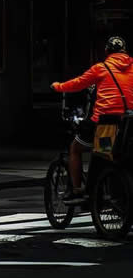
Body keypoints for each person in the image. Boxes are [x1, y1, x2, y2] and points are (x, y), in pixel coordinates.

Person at [50, 36, 133, 204]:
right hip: (129, 123)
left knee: (78, 148)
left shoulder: (101, 68)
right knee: (121, 156)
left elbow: (78, 83)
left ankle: (77, 191)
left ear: (107, 52)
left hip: (105, 124)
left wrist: (58, 86)